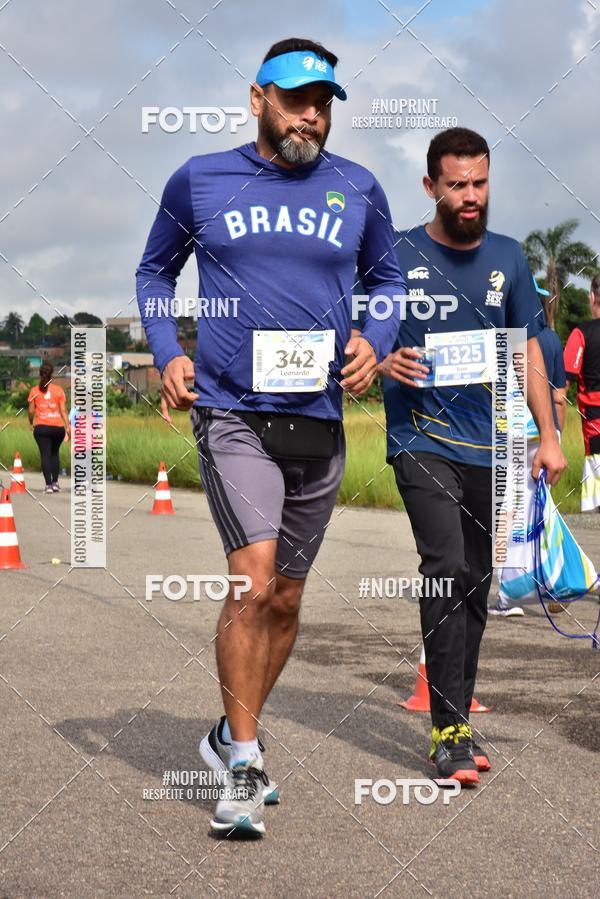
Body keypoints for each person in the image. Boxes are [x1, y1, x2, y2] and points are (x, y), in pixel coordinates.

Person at [136, 37, 406, 835]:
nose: (312, 115)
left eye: (324, 102)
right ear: (258, 98)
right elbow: (155, 272)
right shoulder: (200, 179)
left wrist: (374, 339)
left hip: (318, 416)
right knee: (253, 582)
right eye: (296, 99)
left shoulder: (358, 187)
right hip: (232, 412)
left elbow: (387, 278)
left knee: (287, 598)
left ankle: (226, 733)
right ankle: (245, 767)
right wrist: (167, 353)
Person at [378, 127, 565, 785]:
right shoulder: (396, 253)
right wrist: (381, 356)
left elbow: (529, 351)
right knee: (447, 561)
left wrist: (549, 434)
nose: (470, 195)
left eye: (480, 183)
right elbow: (356, 331)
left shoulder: (511, 259)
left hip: (491, 447)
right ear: (431, 185)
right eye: (456, 184)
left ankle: (457, 710)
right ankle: (449, 728)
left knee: (478, 581)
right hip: (419, 439)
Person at [489, 280, 567, 618]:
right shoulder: (550, 339)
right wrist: (556, 434)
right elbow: (560, 395)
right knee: (542, 508)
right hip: (543, 433)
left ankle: (506, 591)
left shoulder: (499, 334)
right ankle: (552, 579)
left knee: (506, 509)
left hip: (506, 434)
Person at [564, 274, 600, 512]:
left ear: (592, 296)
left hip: (596, 430)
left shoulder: (581, 333)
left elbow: (563, 382)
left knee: (594, 516)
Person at [27, 362, 70, 494]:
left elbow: (30, 411)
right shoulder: (59, 390)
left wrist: (30, 423)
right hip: (58, 428)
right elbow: (63, 411)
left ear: (40, 374)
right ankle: (56, 483)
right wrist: (67, 426)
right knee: (54, 454)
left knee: (45, 455)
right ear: (52, 374)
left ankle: (48, 485)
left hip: (42, 428)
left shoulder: (34, 390)